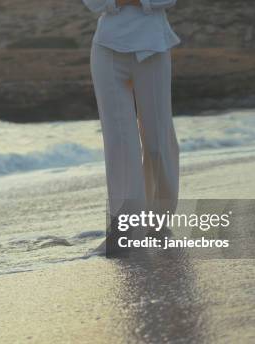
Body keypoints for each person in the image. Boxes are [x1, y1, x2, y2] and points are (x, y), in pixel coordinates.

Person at [82, 0, 181, 255]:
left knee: (158, 141)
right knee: (120, 142)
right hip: (107, 48)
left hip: (154, 46)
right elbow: (94, 3)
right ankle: (125, 228)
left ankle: (158, 224)